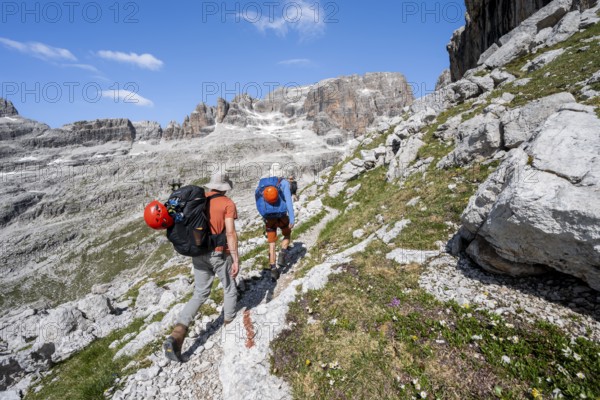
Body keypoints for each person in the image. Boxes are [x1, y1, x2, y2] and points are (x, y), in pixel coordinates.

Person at [163, 172, 239, 362]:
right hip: (219, 253)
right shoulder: (227, 203)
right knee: (229, 287)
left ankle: (178, 332)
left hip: (198, 253)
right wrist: (235, 258)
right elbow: (230, 232)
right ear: (225, 188)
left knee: (200, 293)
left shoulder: (198, 200)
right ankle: (229, 323)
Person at [256, 176, 295, 280]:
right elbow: (288, 201)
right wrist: (292, 218)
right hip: (282, 215)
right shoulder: (284, 183)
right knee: (286, 233)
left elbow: (259, 203)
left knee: (271, 243)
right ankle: (283, 252)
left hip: (269, 218)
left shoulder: (261, 186)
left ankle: (273, 269)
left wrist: (265, 216)